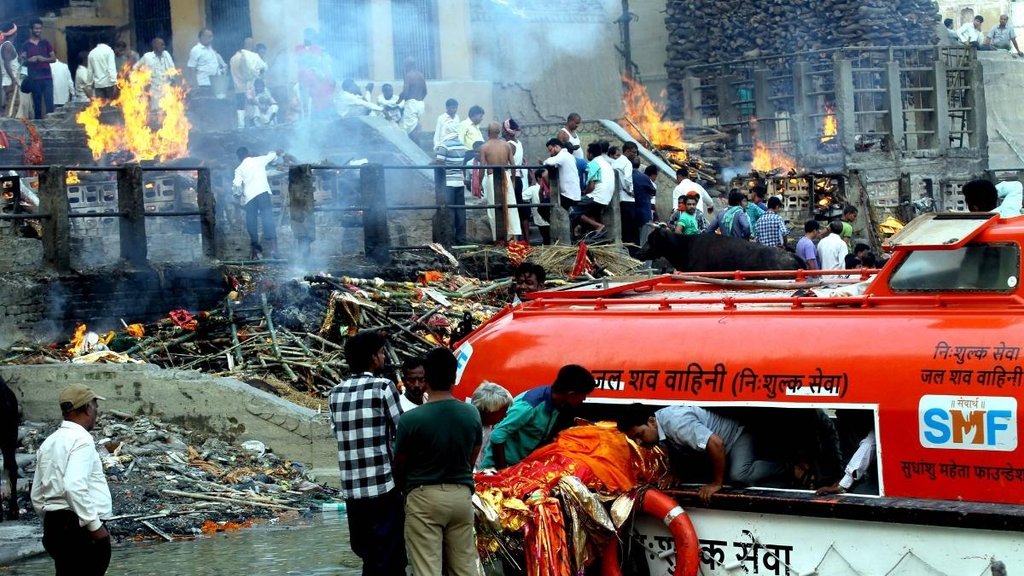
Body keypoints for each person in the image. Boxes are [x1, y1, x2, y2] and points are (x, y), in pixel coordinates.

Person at [394, 348, 481, 576]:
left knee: (427, 569)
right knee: (465, 567)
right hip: (461, 497)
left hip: (424, 497)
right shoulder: (471, 414)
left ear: (426, 380)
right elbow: (473, 455)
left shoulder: (410, 419)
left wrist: (408, 491)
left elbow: (400, 464)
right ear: (454, 378)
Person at [329, 330, 406, 576]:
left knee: (367, 554)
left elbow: (337, 433)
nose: (384, 358)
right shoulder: (383, 387)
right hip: (382, 487)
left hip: (352, 491)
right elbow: (401, 433)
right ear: (373, 358)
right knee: (390, 556)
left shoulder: (335, 393)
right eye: (382, 353)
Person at [617, 404, 793, 504]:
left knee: (739, 476)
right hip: (718, 447)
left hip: (735, 436)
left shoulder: (676, 424)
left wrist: (716, 483)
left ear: (651, 421)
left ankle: (791, 469)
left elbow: (716, 444)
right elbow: (676, 447)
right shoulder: (659, 429)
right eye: (635, 439)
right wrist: (674, 473)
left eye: (640, 435)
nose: (639, 443)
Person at [31, 384, 112, 575]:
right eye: (95, 406)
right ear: (86, 408)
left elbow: (36, 494)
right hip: (80, 529)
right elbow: (73, 485)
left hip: (55, 526)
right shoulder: (81, 439)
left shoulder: (49, 442)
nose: (96, 412)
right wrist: (95, 526)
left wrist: (52, 521)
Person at [479, 364, 596, 469]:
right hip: (496, 468)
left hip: (519, 467)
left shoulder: (558, 405)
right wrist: (503, 471)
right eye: (584, 395)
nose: (584, 399)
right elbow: (497, 435)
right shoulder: (530, 405)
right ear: (571, 394)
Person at [232, 147, 283, 260]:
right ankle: (274, 250)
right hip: (262, 194)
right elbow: (272, 156)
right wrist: (275, 153)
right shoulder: (258, 160)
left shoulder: (239, 169)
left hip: (250, 198)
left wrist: (237, 194)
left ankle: (256, 252)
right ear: (248, 153)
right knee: (268, 219)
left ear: (239, 158)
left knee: (251, 223)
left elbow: (236, 186)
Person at [479, 121, 522, 242]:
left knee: (494, 209)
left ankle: (498, 239)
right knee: (510, 206)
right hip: (506, 176)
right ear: (499, 132)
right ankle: (514, 239)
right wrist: (513, 181)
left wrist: (480, 183)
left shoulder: (485, 147)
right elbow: (513, 165)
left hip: (492, 178)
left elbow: (482, 167)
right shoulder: (506, 145)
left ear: (488, 132)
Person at [572, 141, 614, 239]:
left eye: (587, 153)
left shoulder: (593, 164)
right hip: (606, 198)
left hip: (596, 197)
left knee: (571, 209)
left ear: (591, 154)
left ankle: (597, 226)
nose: (586, 155)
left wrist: (584, 193)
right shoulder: (606, 164)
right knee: (585, 211)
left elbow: (591, 187)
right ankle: (593, 228)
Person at [434, 121, 467, 245]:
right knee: (460, 211)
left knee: (450, 211)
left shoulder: (444, 146)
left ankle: (450, 239)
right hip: (459, 181)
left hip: (448, 183)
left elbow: (440, 164)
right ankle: (461, 239)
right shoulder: (462, 145)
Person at [470, 382, 513, 469]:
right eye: (503, 411)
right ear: (489, 411)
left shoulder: (490, 426)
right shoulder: (470, 429)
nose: (505, 415)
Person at [20, 19, 56, 119]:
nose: (38, 30)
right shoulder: (25, 45)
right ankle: (38, 129)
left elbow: (54, 59)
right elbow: (22, 61)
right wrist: (29, 60)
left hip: (47, 77)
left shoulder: (46, 43)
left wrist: (43, 59)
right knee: (37, 104)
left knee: (49, 102)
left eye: (40, 28)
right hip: (34, 79)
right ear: (31, 29)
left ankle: (51, 124)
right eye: (36, 28)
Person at [229, 37, 266, 129]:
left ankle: (241, 125)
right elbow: (253, 72)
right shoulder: (249, 57)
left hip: (238, 87)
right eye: (252, 44)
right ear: (248, 45)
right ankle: (250, 124)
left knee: (241, 106)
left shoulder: (233, 58)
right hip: (248, 86)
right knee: (251, 105)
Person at [503, 118, 530, 242]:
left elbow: (506, 164)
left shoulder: (509, 145)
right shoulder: (518, 143)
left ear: (507, 131)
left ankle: (515, 240)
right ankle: (522, 240)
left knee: (512, 209)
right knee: (518, 208)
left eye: (503, 130)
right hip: (518, 179)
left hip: (511, 179)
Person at [133, 38, 176, 106]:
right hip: (154, 92)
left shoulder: (166, 54)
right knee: (156, 112)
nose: (164, 47)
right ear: (155, 46)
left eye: (164, 45)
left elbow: (172, 69)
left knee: (169, 111)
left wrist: (173, 82)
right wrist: (142, 82)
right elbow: (135, 68)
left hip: (167, 90)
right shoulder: (147, 57)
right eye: (161, 45)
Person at [542, 138, 583, 211]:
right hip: (575, 195)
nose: (551, 153)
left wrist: (544, 163)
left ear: (557, 147)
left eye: (551, 150)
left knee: (543, 206)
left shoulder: (562, 155)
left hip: (568, 196)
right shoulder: (569, 156)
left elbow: (549, 162)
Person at [186, 28, 226, 94]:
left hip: (215, 83)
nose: (211, 39)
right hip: (203, 84)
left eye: (212, 36)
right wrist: (195, 85)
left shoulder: (210, 48)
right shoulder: (196, 50)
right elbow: (191, 68)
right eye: (209, 37)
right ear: (202, 37)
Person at [610, 145, 636, 243]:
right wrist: (630, 191)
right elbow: (627, 180)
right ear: (628, 151)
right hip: (628, 199)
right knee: (629, 228)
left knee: (624, 227)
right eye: (634, 152)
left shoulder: (615, 162)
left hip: (619, 198)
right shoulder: (627, 163)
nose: (635, 155)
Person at [522, 169, 551, 245]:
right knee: (547, 238)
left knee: (548, 238)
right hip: (541, 219)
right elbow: (522, 197)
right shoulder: (533, 189)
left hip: (545, 218)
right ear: (539, 178)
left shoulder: (548, 187)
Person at [632, 164, 658, 236]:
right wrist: (656, 218)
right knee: (645, 237)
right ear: (653, 175)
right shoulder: (649, 182)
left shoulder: (633, 177)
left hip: (634, 212)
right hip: (645, 213)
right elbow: (652, 202)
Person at [0, 23, 18, 116]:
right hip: (10, 81)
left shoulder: (6, 45)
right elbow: (7, 64)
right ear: (15, 33)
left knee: (12, 106)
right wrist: (13, 79)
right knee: (11, 107)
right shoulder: (7, 45)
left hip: (9, 81)